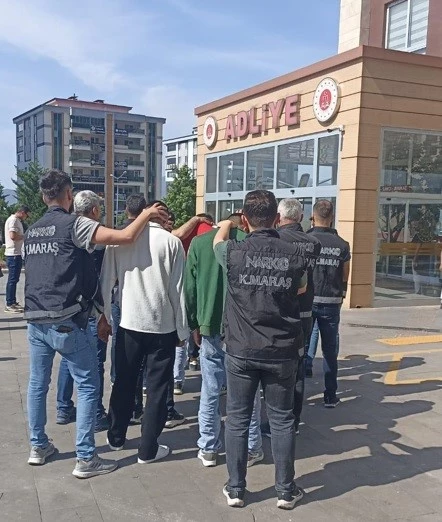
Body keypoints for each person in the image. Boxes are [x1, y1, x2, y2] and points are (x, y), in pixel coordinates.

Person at [24, 169, 167, 479]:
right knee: (89, 385)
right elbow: (124, 237)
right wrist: (146, 214)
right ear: (68, 195)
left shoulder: (33, 230)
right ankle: (86, 458)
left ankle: (38, 446)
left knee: (37, 384)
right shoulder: (75, 224)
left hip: (35, 320)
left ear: (43, 197)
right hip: (65, 319)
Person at [214, 190, 307, 510]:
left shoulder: (232, 252)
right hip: (281, 349)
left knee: (238, 419)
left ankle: (236, 489)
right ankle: (285, 491)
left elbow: (217, 242)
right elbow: (301, 288)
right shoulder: (294, 253)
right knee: (282, 420)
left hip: (241, 349)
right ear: (277, 219)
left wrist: (227, 224)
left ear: (244, 218)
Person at [99, 200, 189, 463]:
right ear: (164, 218)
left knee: (124, 381)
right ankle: (148, 449)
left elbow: (106, 280)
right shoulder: (171, 243)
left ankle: (116, 436)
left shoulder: (120, 240)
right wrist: (182, 330)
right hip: (162, 324)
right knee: (158, 389)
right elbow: (178, 291)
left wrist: (104, 317)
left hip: (129, 321)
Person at [185, 213, 263, 468]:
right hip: (242, 328)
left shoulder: (199, 244)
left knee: (210, 388)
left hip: (210, 323)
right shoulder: (248, 242)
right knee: (248, 392)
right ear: (244, 222)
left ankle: (208, 447)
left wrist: (194, 323)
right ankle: (251, 446)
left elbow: (190, 288)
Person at [56, 191, 109, 431]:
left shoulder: (66, 229)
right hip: (90, 307)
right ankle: (96, 414)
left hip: (69, 305)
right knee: (94, 361)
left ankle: (63, 407)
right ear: (95, 210)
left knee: (69, 357)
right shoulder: (95, 234)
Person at [274, 198, 321, 434]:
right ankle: (294, 419)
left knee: (278, 367)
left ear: (279, 217)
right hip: (305, 311)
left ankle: (279, 419)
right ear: (301, 217)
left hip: (280, 311)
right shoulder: (313, 243)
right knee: (298, 365)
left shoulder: (276, 240)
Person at [307, 199, 351, 408]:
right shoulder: (342, 244)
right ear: (332, 217)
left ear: (313, 216)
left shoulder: (306, 240)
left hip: (308, 301)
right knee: (330, 350)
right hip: (332, 302)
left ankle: (297, 395)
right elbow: (345, 274)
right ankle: (330, 395)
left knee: (302, 346)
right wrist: (342, 294)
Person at [4, 205, 30, 313]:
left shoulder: (16, 220)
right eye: (26, 215)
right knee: (12, 280)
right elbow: (13, 236)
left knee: (14, 279)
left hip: (16, 253)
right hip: (13, 254)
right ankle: (9, 303)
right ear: (22, 212)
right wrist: (25, 236)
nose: (26, 218)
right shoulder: (13, 220)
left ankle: (13, 301)